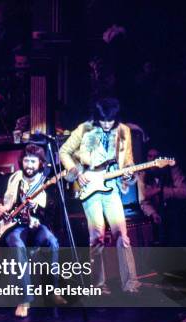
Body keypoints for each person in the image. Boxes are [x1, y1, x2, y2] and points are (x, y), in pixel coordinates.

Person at [59, 97, 139, 293]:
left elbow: (128, 161)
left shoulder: (124, 131)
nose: (106, 124)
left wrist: (128, 172)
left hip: (112, 184)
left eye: (110, 121)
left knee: (122, 234)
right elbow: (64, 151)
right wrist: (77, 173)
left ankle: (131, 283)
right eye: (102, 120)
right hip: (91, 185)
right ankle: (99, 284)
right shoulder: (84, 129)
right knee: (97, 237)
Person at [0, 144, 66, 318]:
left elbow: (52, 215)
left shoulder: (46, 184)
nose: (29, 165)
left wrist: (38, 210)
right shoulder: (13, 179)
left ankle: (52, 292)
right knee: (16, 244)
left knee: (52, 242)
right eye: (26, 160)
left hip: (36, 225)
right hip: (14, 226)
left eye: (33, 161)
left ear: (41, 163)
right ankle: (24, 299)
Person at [137, 147, 186, 245]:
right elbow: (143, 199)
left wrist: (161, 190)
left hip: (174, 213)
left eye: (156, 157)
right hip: (155, 215)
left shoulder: (172, 169)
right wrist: (153, 213)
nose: (152, 160)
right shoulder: (142, 175)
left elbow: (185, 192)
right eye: (150, 156)